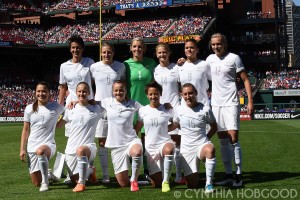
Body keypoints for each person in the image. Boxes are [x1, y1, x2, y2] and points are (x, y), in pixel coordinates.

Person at [206, 33, 254, 187]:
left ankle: (238, 175)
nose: (216, 47)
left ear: (224, 44)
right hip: (216, 104)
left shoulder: (234, 58)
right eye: (213, 44)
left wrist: (250, 101)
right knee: (222, 140)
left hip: (231, 102)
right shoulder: (209, 59)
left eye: (218, 44)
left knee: (233, 138)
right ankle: (228, 175)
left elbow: (245, 80)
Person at [170, 83, 217, 192]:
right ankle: (196, 176)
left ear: (195, 93)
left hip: (201, 145)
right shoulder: (179, 110)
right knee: (192, 185)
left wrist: (206, 139)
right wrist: (161, 129)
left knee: (210, 150)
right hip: (187, 149)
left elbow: (214, 127)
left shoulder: (205, 109)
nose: (188, 96)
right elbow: (175, 125)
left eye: (190, 93)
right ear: (181, 95)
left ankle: (209, 185)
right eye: (185, 94)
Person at [57, 82, 104, 192]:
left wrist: (94, 101)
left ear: (88, 93)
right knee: (74, 179)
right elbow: (58, 125)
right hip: (70, 149)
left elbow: (112, 103)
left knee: (81, 150)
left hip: (88, 148)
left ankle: (82, 184)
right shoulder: (70, 109)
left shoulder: (96, 108)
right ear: (76, 93)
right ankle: (90, 171)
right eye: (79, 91)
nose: (81, 93)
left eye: (84, 91)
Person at [90, 42, 126, 183]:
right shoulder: (94, 67)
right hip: (100, 108)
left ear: (113, 52)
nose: (106, 54)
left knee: (120, 141)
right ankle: (105, 175)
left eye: (109, 52)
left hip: (116, 108)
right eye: (104, 52)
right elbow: (89, 84)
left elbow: (123, 85)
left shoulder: (120, 66)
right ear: (101, 53)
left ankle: (122, 173)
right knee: (102, 142)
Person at [20, 81, 65, 192]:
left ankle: (45, 183)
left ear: (49, 93)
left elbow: (70, 113)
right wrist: (22, 149)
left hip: (48, 145)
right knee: (36, 182)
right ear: (35, 93)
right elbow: (25, 130)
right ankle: (49, 174)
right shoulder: (29, 108)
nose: (41, 94)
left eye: (44, 91)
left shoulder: (56, 106)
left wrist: (60, 123)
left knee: (41, 151)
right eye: (38, 91)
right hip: (31, 147)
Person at [101, 80, 143, 192]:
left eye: (121, 90)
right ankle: (131, 180)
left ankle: (134, 180)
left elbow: (146, 112)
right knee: (123, 183)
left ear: (125, 91)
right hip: (116, 145)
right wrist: (75, 101)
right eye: (116, 90)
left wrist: (136, 129)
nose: (118, 92)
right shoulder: (106, 102)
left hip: (131, 141)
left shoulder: (134, 104)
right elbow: (90, 103)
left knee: (137, 152)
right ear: (112, 91)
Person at [124, 37, 157, 179]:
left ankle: (147, 172)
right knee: (131, 140)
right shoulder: (125, 65)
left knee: (146, 141)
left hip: (147, 108)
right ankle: (133, 173)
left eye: (140, 47)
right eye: (135, 47)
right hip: (131, 108)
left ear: (144, 48)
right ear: (131, 48)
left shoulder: (151, 63)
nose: (137, 49)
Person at [153, 43, 185, 184]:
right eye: (159, 53)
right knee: (161, 142)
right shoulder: (155, 70)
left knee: (177, 143)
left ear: (169, 52)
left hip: (175, 109)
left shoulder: (176, 68)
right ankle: (164, 175)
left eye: (164, 52)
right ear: (156, 54)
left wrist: (184, 63)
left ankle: (179, 175)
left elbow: (183, 86)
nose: (162, 55)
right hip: (160, 110)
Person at [136, 81, 175, 192]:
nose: (154, 96)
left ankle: (166, 181)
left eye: (156, 93)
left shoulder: (167, 108)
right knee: (155, 184)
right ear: (147, 95)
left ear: (160, 94)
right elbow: (137, 128)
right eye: (151, 94)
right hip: (150, 147)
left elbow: (176, 123)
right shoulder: (142, 110)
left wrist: (165, 130)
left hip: (164, 142)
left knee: (169, 149)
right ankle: (164, 178)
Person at [58, 35, 94, 137]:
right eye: (73, 47)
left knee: (87, 135)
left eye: (78, 47)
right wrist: (59, 106)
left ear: (82, 49)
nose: (75, 50)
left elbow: (95, 81)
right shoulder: (64, 66)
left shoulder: (89, 63)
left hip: (88, 104)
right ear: (70, 49)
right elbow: (63, 87)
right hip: (71, 106)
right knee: (72, 136)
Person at [178, 38, 211, 106]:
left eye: (191, 47)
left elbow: (214, 80)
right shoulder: (179, 67)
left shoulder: (205, 64)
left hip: (202, 104)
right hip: (185, 106)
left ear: (197, 50)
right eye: (186, 48)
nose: (189, 50)